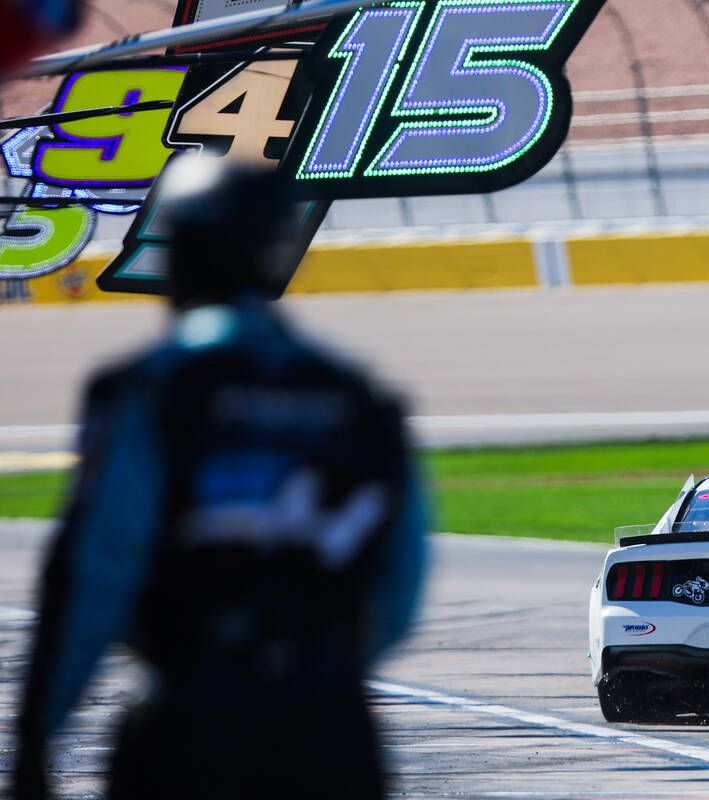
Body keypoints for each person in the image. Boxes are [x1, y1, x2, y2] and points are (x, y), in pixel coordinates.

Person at [11, 155, 426, 800]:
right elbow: (400, 589)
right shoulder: (360, 395)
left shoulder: (149, 388)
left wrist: (38, 734)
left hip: (191, 725)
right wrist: (311, 680)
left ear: (179, 252)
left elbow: (96, 571)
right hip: (334, 732)